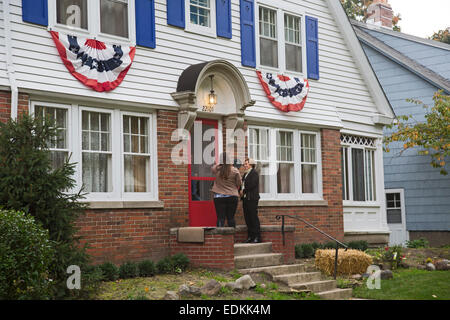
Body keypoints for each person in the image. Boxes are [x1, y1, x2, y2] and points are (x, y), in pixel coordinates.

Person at [211, 153, 242, 228]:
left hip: (219, 197)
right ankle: (232, 238)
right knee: (230, 218)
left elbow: (213, 168)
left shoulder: (217, 169)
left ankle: (219, 237)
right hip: (232, 196)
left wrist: (220, 164)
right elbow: (239, 183)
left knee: (220, 218)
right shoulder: (235, 170)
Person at [240, 158, 261, 243]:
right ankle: (250, 237)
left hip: (252, 199)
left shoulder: (254, 173)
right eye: (244, 164)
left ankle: (257, 237)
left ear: (251, 164)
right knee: (247, 218)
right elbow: (242, 185)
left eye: (246, 164)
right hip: (245, 199)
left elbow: (252, 185)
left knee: (253, 218)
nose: (244, 165)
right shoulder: (245, 174)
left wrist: (243, 191)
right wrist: (239, 191)